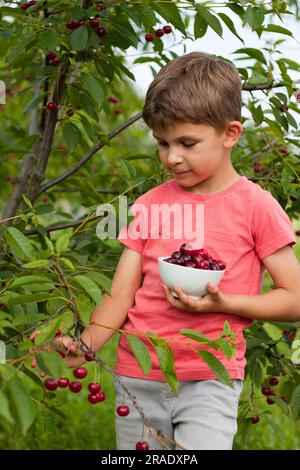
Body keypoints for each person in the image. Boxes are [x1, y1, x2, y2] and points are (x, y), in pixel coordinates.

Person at [56, 51, 300, 450]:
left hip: (210, 375)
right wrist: (86, 345)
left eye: (187, 143)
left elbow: (294, 299)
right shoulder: (150, 205)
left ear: (230, 133)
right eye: (163, 143)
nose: (172, 157)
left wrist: (221, 304)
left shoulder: (257, 206)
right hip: (138, 372)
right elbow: (120, 296)